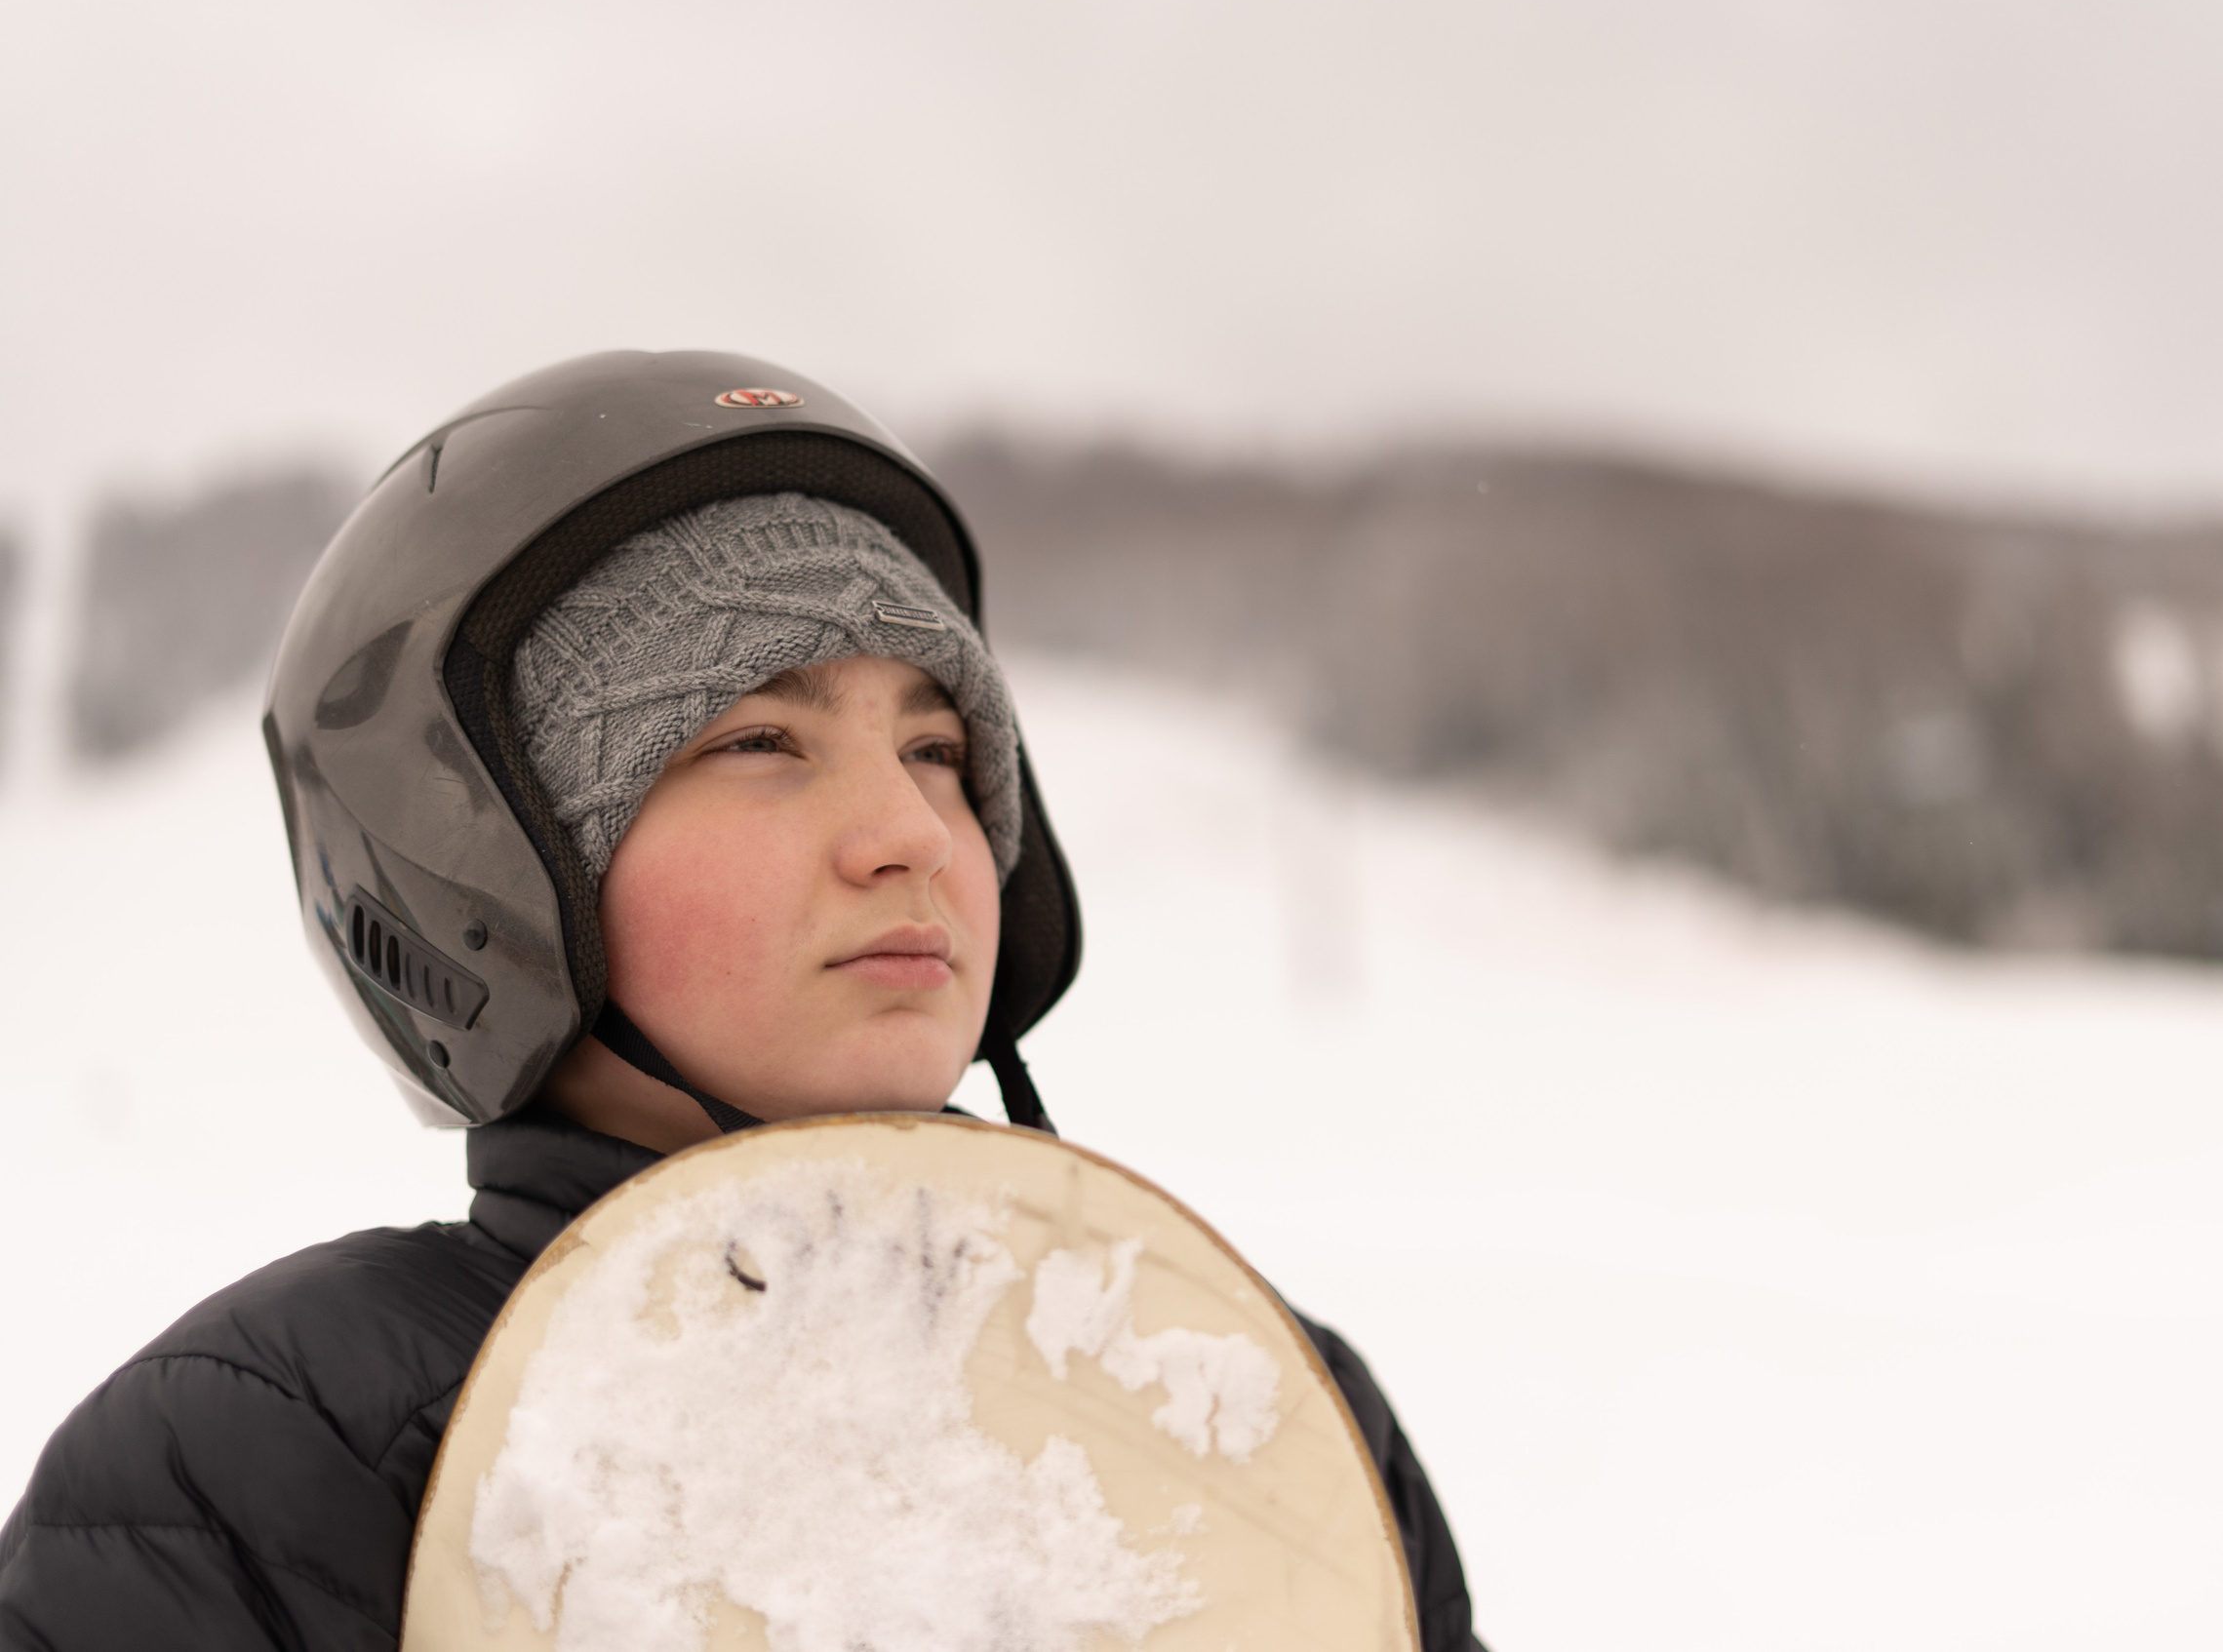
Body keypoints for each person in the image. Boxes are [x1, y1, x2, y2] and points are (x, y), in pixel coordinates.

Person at [0, 351, 1485, 1650]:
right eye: (760, 739)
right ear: (492, 873)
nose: (906, 831)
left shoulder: (1241, 1398)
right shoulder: (277, 1456)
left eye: (937, 755)